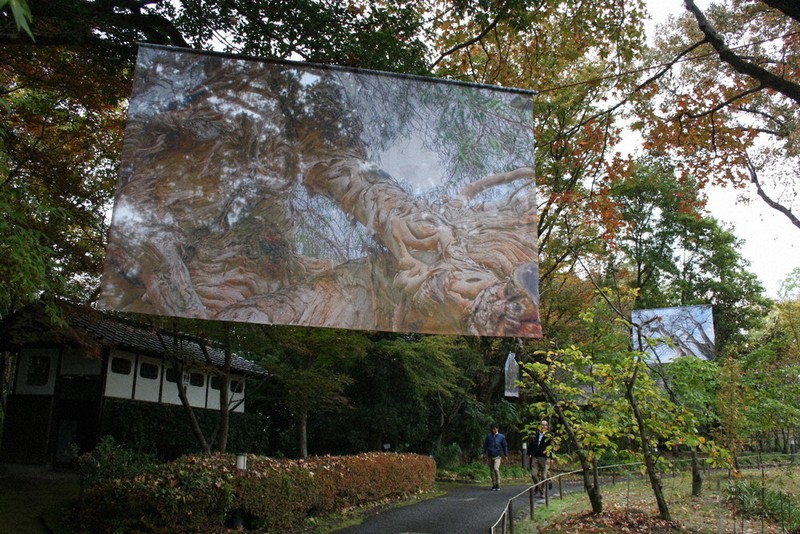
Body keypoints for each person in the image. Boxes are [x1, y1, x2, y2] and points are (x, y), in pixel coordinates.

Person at [528, 420, 552, 497]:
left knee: (543, 476)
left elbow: (551, 447)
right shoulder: (535, 435)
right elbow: (531, 445)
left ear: (547, 426)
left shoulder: (549, 435)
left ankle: (542, 491)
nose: (542, 426)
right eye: (541, 425)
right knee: (534, 475)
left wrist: (550, 458)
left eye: (544, 425)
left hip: (544, 457)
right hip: (535, 457)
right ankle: (540, 488)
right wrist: (529, 453)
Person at [482, 423, 508, 491]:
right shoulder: (488, 436)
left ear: (497, 429)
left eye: (494, 428)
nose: (493, 430)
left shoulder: (501, 436)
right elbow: (485, 445)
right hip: (490, 455)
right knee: (491, 471)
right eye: (492, 429)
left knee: (496, 468)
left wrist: (505, 455)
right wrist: (482, 453)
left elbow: (504, 446)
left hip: (497, 455)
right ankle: (494, 484)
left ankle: (498, 483)